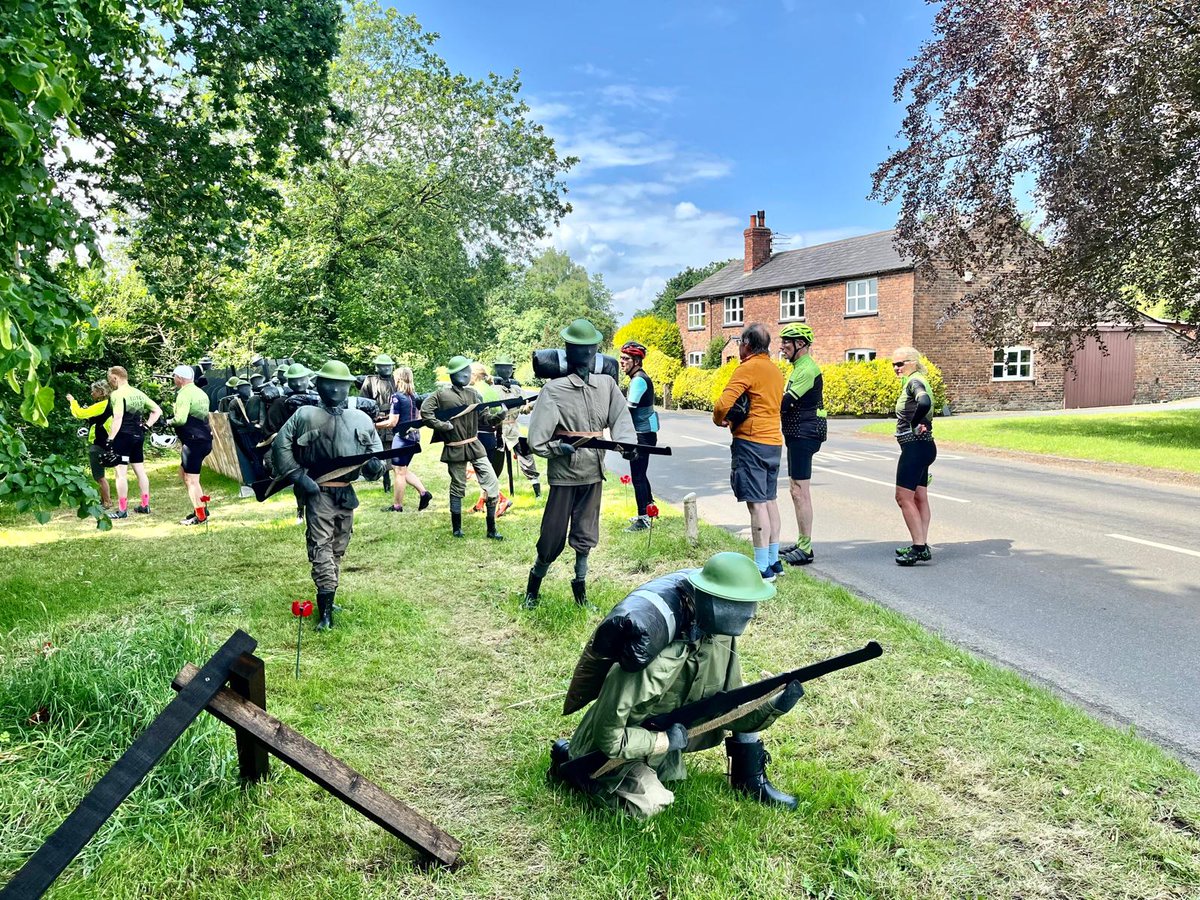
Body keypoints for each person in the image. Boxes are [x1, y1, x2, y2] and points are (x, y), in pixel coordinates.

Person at [551, 551, 803, 817]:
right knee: (650, 805)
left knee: (745, 694)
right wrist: (663, 741)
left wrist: (772, 704)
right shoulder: (651, 659)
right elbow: (609, 737)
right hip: (610, 753)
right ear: (715, 602)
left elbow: (728, 708)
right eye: (742, 603)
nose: (751, 613)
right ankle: (573, 768)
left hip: (658, 743)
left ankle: (748, 779)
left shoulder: (720, 638)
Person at [523, 319, 636, 609]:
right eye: (579, 347)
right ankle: (533, 590)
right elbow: (537, 439)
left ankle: (581, 594)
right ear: (568, 350)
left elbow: (621, 419)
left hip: (593, 473)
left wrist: (628, 446)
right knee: (551, 536)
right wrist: (556, 449)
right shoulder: (554, 390)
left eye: (590, 347)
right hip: (564, 474)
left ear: (597, 349)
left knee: (586, 534)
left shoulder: (606, 384)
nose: (586, 352)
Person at [273, 360, 384, 630]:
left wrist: (374, 467)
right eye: (329, 384)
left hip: (345, 493)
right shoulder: (304, 415)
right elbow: (280, 447)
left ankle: (329, 594)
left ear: (349, 387)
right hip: (318, 491)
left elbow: (377, 455)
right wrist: (298, 476)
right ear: (319, 385)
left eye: (341, 385)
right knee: (321, 545)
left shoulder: (361, 419)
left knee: (338, 546)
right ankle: (325, 612)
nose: (335, 390)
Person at [712, 324, 785, 581]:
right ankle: (774, 560)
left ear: (747, 345)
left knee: (756, 504)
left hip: (751, 442)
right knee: (770, 500)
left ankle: (761, 567)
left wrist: (719, 419)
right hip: (773, 441)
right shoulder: (775, 371)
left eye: (740, 343)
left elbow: (723, 403)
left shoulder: (747, 368)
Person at [420, 356, 506, 540]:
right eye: (464, 371)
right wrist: (443, 426)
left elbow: (484, 418)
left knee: (492, 482)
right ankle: (457, 528)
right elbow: (425, 412)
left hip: (475, 445)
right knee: (458, 485)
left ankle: (491, 529)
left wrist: (499, 417)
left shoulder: (474, 394)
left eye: (469, 370)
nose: (468, 374)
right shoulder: (440, 395)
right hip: (455, 447)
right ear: (455, 374)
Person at [777, 323, 826, 566]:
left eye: (787, 341)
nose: (782, 346)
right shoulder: (798, 367)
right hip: (797, 432)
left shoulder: (807, 369)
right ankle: (801, 542)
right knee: (795, 489)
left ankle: (806, 548)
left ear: (801, 344)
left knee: (799, 491)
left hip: (804, 433)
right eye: (782, 341)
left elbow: (784, 403)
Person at [891, 347, 937, 566]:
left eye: (900, 364)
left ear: (913, 362)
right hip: (925, 446)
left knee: (903, 497)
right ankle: (922, 544)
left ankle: (919, 547)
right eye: (893, 364)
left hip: (915, 447)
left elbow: (924, 402)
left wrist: (914, 422)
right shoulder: (918, 379)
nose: (896, 368)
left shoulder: (914, 382)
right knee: (920, 497)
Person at [105, 366, 163, 519]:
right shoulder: (138, 393)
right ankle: (145, 505)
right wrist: (146, 426)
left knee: (120, 473)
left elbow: (118, 418)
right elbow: (157, 410)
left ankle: (122, 510)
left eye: (110, 379)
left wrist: (110, 438)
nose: (110, 382)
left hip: (123, 436)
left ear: (115, 377)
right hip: (138, 435)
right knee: (140, 471)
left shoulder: (117, 394)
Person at [376, 365, 433, 513]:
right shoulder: (415, 396)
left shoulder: (397, 397)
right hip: (414, 437)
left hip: (401, 439)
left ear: (398, 379)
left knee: (399, 472)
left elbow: (393, 422)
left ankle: (397, 506)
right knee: (401, 469)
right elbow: (417, 417)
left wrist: (375, 425)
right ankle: (424, 493)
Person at [619, 341, 660, 532]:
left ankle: (643, 518)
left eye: (626, 358)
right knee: (641, 474)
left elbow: (627, 410)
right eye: (621, 358)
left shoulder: (638, 380)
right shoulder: (639, 378)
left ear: (636, 361)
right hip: (645, 433)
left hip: (642, 435)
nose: (622, 362)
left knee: (637, 476)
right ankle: (650, 510)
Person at [491, 355, 542, 500]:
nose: (506, 371)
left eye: (508, 368)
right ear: (497, 369)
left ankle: (537, 492)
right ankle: (491, 494)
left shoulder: (517, 389)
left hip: (514, 429)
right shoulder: (492, 390)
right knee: (495, 464)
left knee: (527, 459)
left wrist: (529, 406)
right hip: (498, 431)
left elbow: (525, 407)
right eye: (502, 368)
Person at [168, 364, 213, 525]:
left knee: (191, 480)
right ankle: (200, 507)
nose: (174, 379)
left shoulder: (184, 394)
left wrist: (168, 422)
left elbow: (180, 419)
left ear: (180, 378)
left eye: (174, 376)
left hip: (193, 441)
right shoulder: (201, 393)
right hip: (205, 439)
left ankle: (200, 515)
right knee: (184, 473)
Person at [468, 362, 512, 516]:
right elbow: (499, 417)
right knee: (485, 471)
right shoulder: (491, 390)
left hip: (478, 435)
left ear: (474, 375)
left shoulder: (475, 391)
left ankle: (503, 499)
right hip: (491, 436)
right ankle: (481, 503)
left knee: (475, 472)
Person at [67, 380, 113, 508]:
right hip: (107, 442)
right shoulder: (110, 404)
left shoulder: (102, 405)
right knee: (100, 475)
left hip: (100, 444)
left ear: (101, 392)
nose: (91, 393)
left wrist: (72, 401)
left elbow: (80, 413)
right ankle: (104, 500)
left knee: (99, 476)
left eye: (94, 391)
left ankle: (107, 501)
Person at [360, 354, 398, 495]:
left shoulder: (397, 380)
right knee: (380, 451)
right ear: (377, 367)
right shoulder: (370, 381)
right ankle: (385, 480)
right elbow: (363, 401)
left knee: (396, 450)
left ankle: (399, 479)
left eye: (389, 366)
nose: (386, 369)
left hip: (395, 420)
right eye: (383, 366)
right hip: (378, 421)